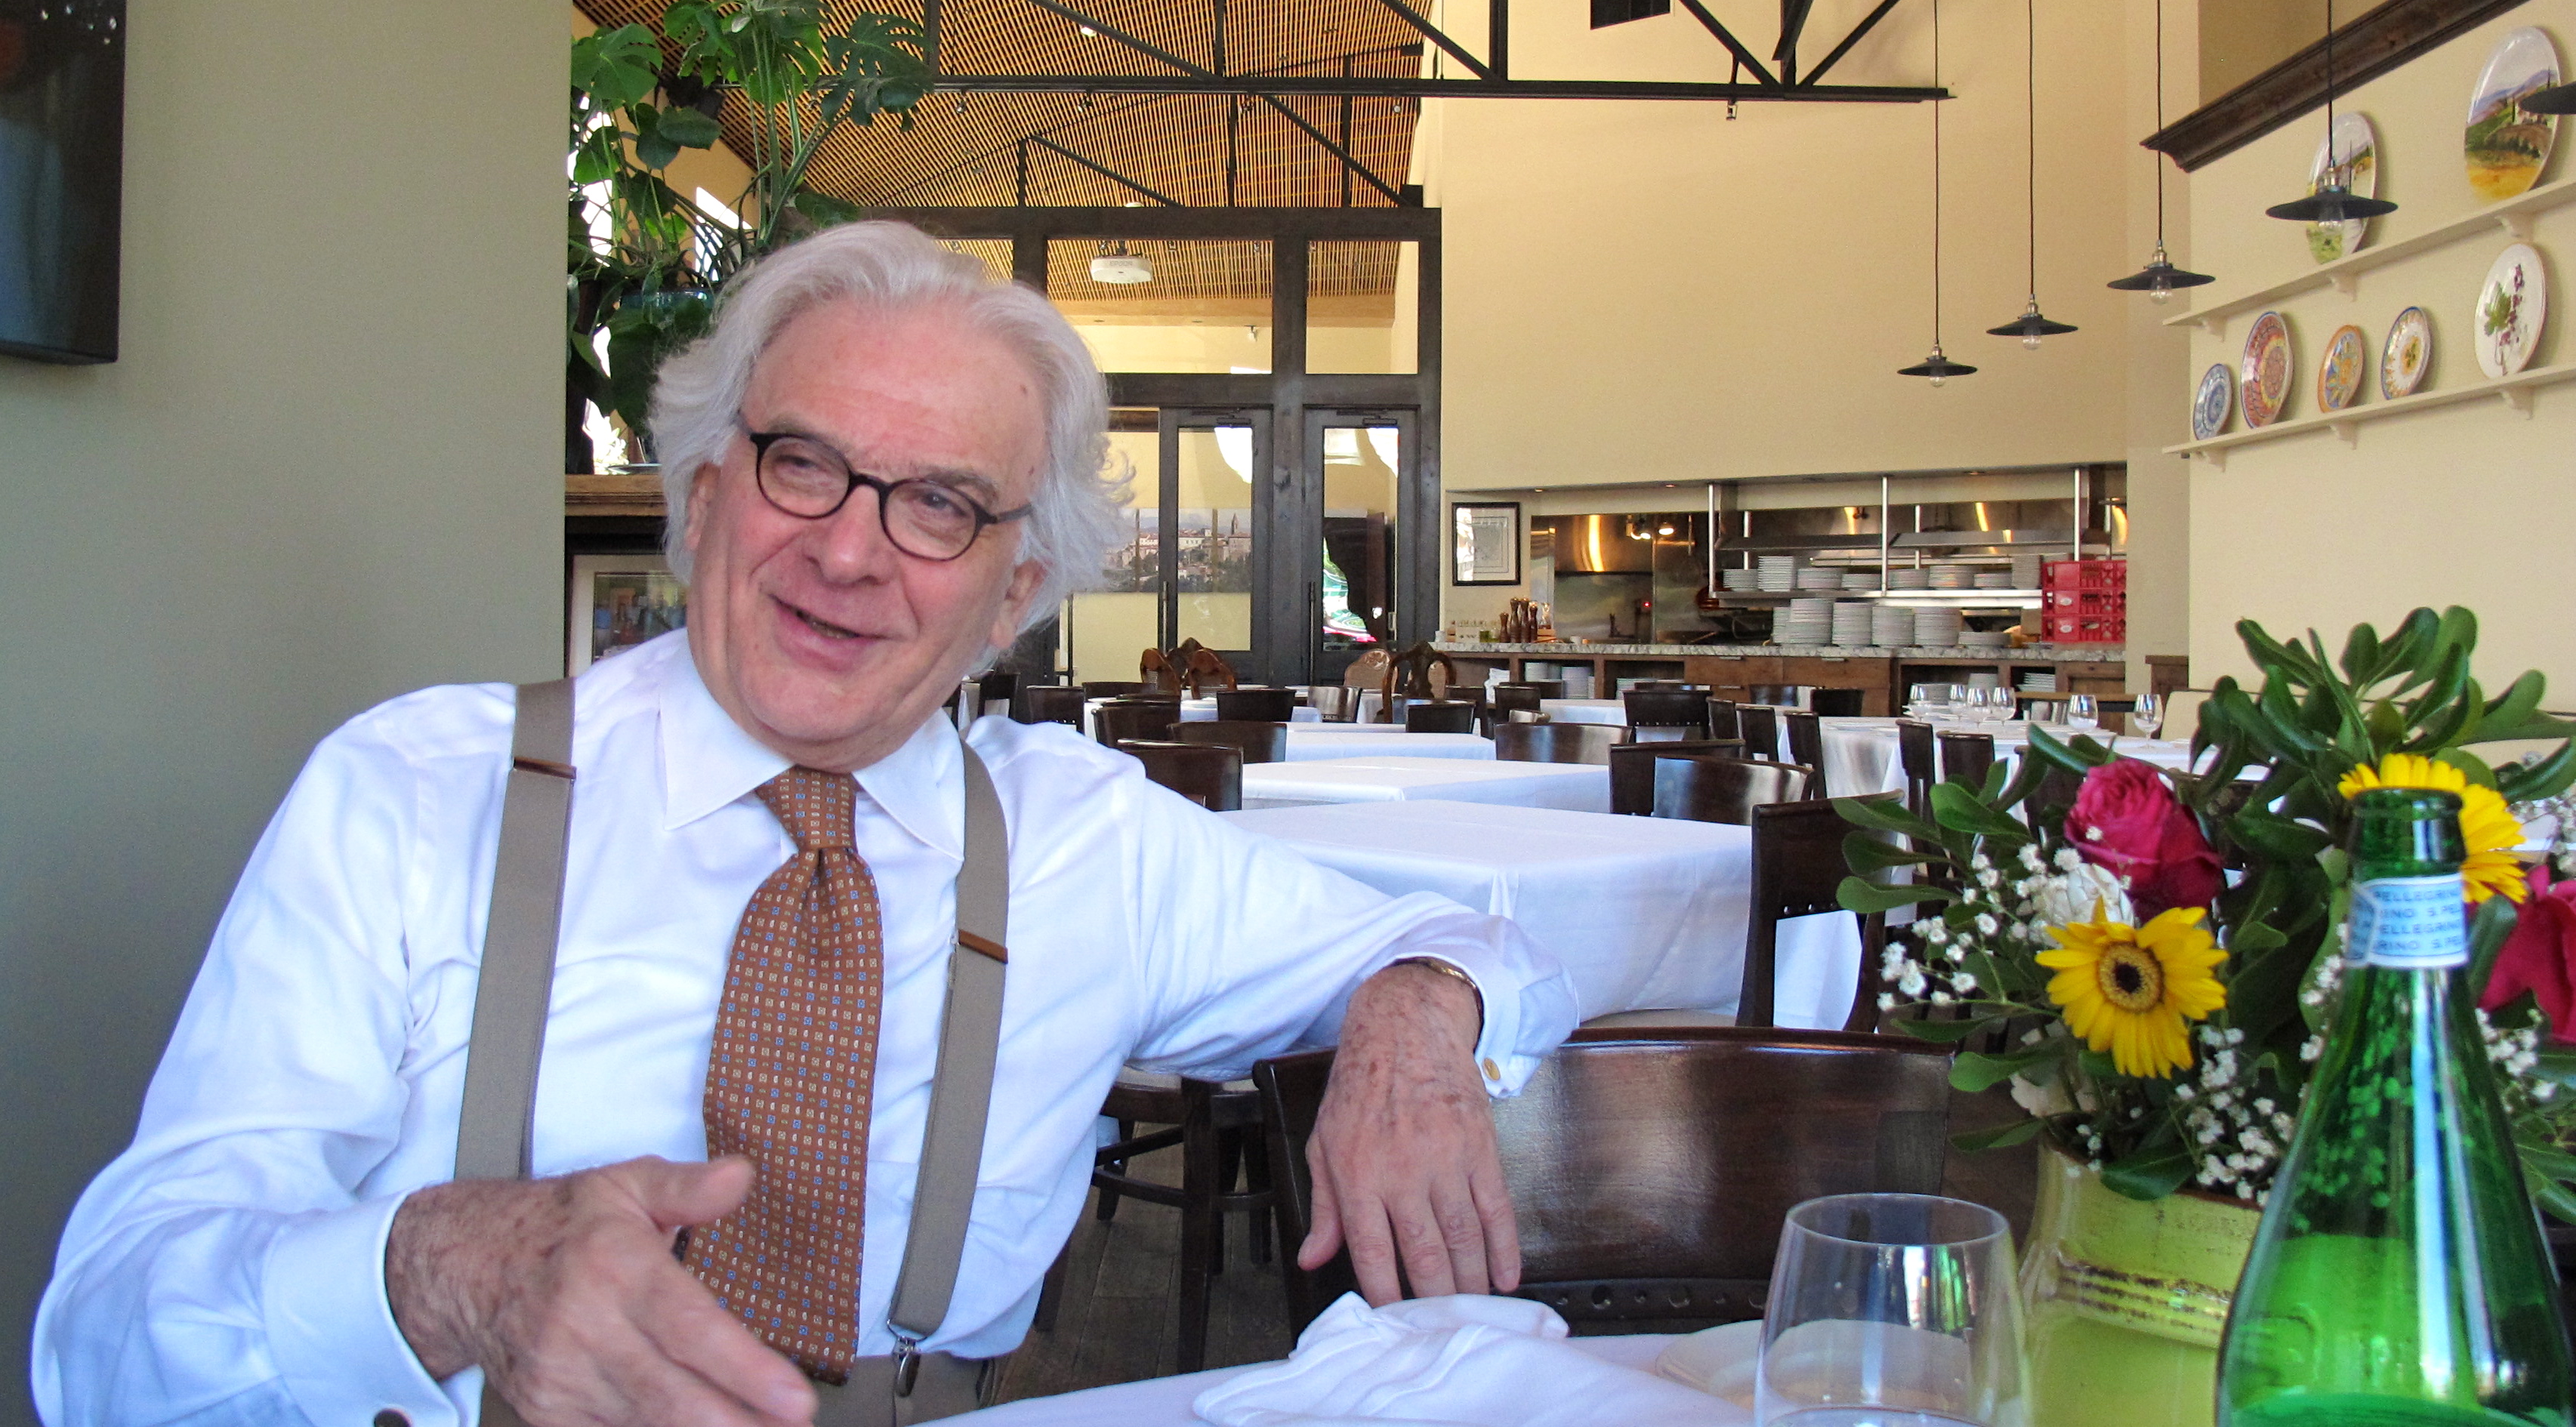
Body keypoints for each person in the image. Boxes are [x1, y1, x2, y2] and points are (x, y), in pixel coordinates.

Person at [32, 223, 1579, 1427]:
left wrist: (1411, 1020)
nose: (849, 551)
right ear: (704, 496)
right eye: (803, 465)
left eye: (938, 506)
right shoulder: (419, 792)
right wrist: (441, 1272)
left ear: (1012, 595)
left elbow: (1485, 942)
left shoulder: (1085, 838)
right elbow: (96, 1345)